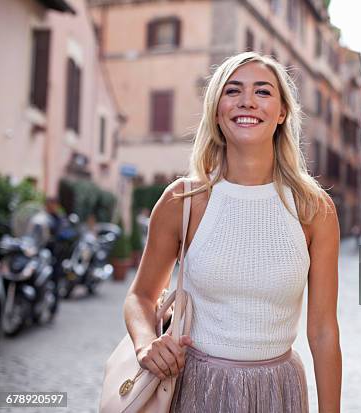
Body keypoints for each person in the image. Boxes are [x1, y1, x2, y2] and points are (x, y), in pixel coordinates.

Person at [123, 52, 341, 413]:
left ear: (282, 113)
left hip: (280, 392)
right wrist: (146, 343)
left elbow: (323, 330)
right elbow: (141, 296)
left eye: (263, 92)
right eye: (233, 91)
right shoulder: (183, 200)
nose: (247, 102)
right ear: (216, 109)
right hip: (196, 390)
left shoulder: (313, 208)